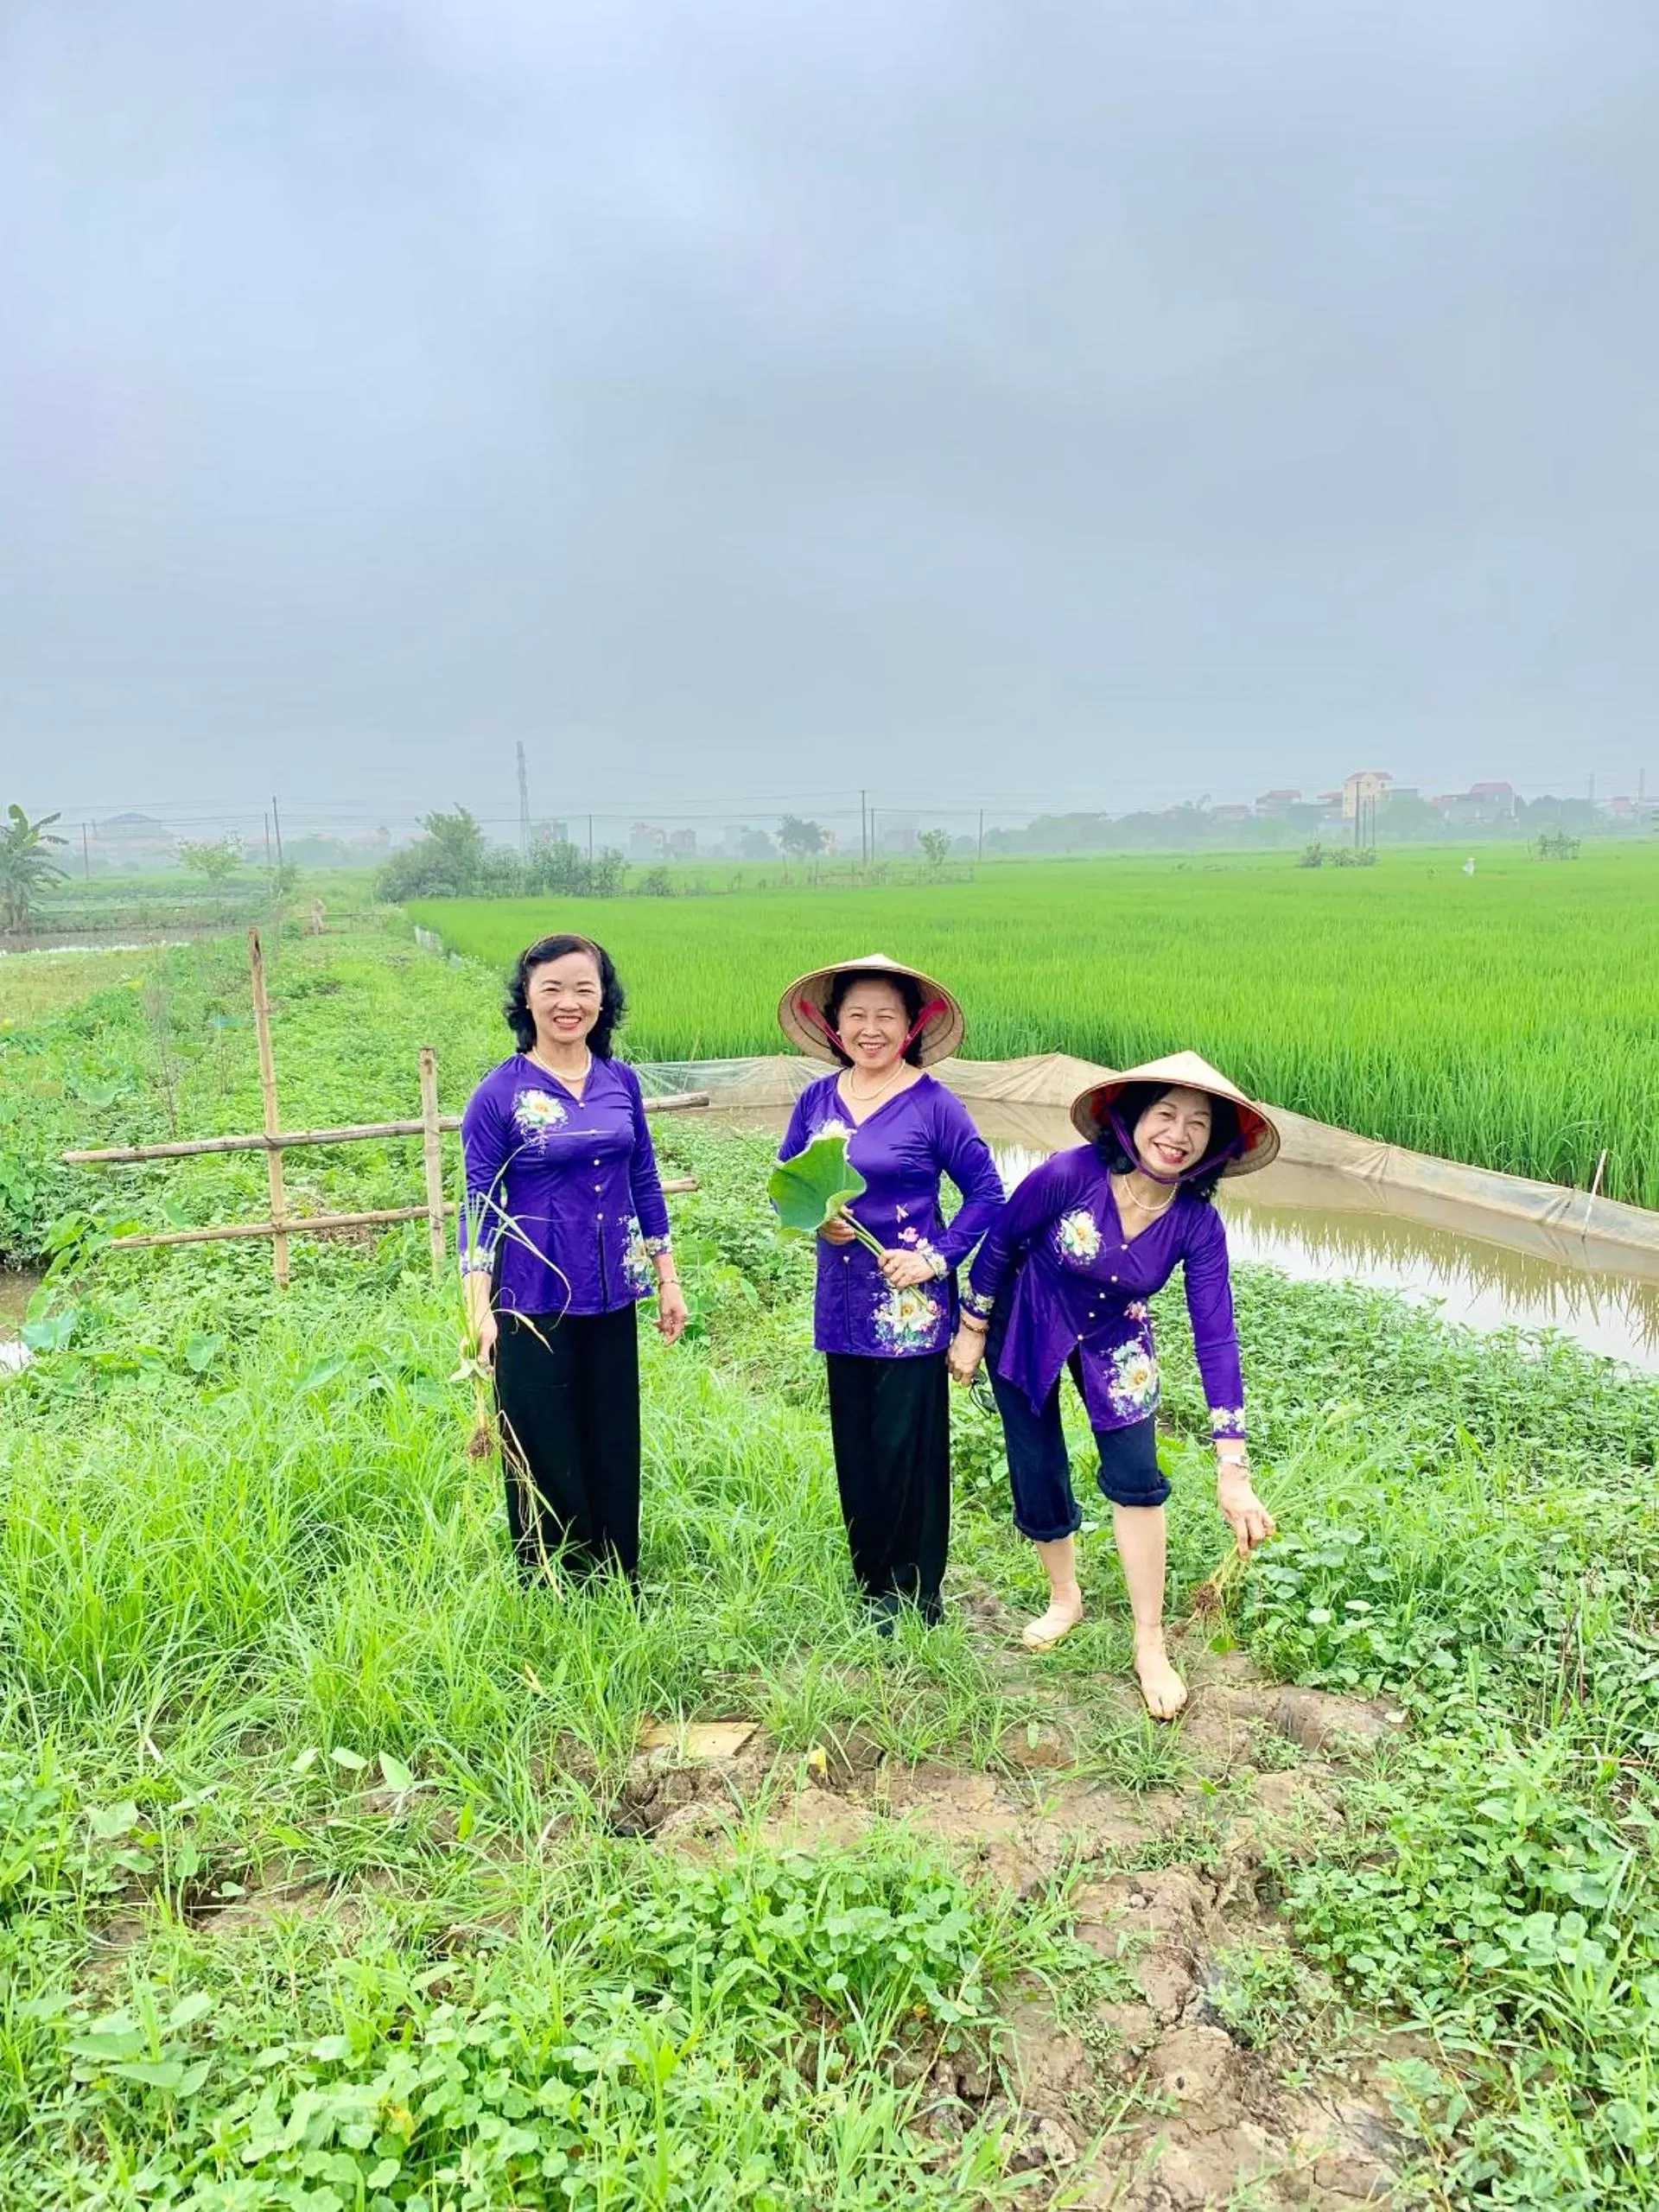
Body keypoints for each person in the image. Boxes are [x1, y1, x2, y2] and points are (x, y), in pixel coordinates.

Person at [948, 1052, 1279, 1718]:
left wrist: (1232, 1464)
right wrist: (974, 1326)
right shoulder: (1071, 1174)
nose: (1178, 1134)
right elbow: (1004, 1244)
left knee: (1137, 1477)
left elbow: (1216, 1334)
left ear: (1214, 1144)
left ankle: (1149, 1641)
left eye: (1198, 1124)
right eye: (1165, 1114)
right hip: (1030, 1316)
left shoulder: (1196, 1221)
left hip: (1116, 1337)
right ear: (1133, 1118)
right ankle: (1064, 1597)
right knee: (1036, 1466)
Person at [776, 953, 1004, 1629]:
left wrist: (934, 1258)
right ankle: (870, 1582)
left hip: (910, 1309)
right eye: (856, 1016)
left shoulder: (935, 1104)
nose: (869, 1029)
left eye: (885, 1016)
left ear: (911, 1026)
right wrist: (822, 1222)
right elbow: (790, 1185)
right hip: (841, 1302)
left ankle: (916, 1595)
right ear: (833, 1025)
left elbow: (988, 1194)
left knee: (909, 1448)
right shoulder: (817, 1101)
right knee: (857, 1443)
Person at [460, 932, 688, 1585]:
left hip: (614, 1288)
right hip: (532, 1298)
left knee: (612, 1430)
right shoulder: (499, 1094)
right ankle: (553, 1578)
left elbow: (644, 1181)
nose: (569, 1002)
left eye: (584, 988)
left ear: (602, 1000)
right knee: (540, 1437)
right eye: (552, 988)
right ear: (526, 999)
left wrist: (668, 1279)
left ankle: (618, 1569)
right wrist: (478, 1311)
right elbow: (477, 1205)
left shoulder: (621, 1083)